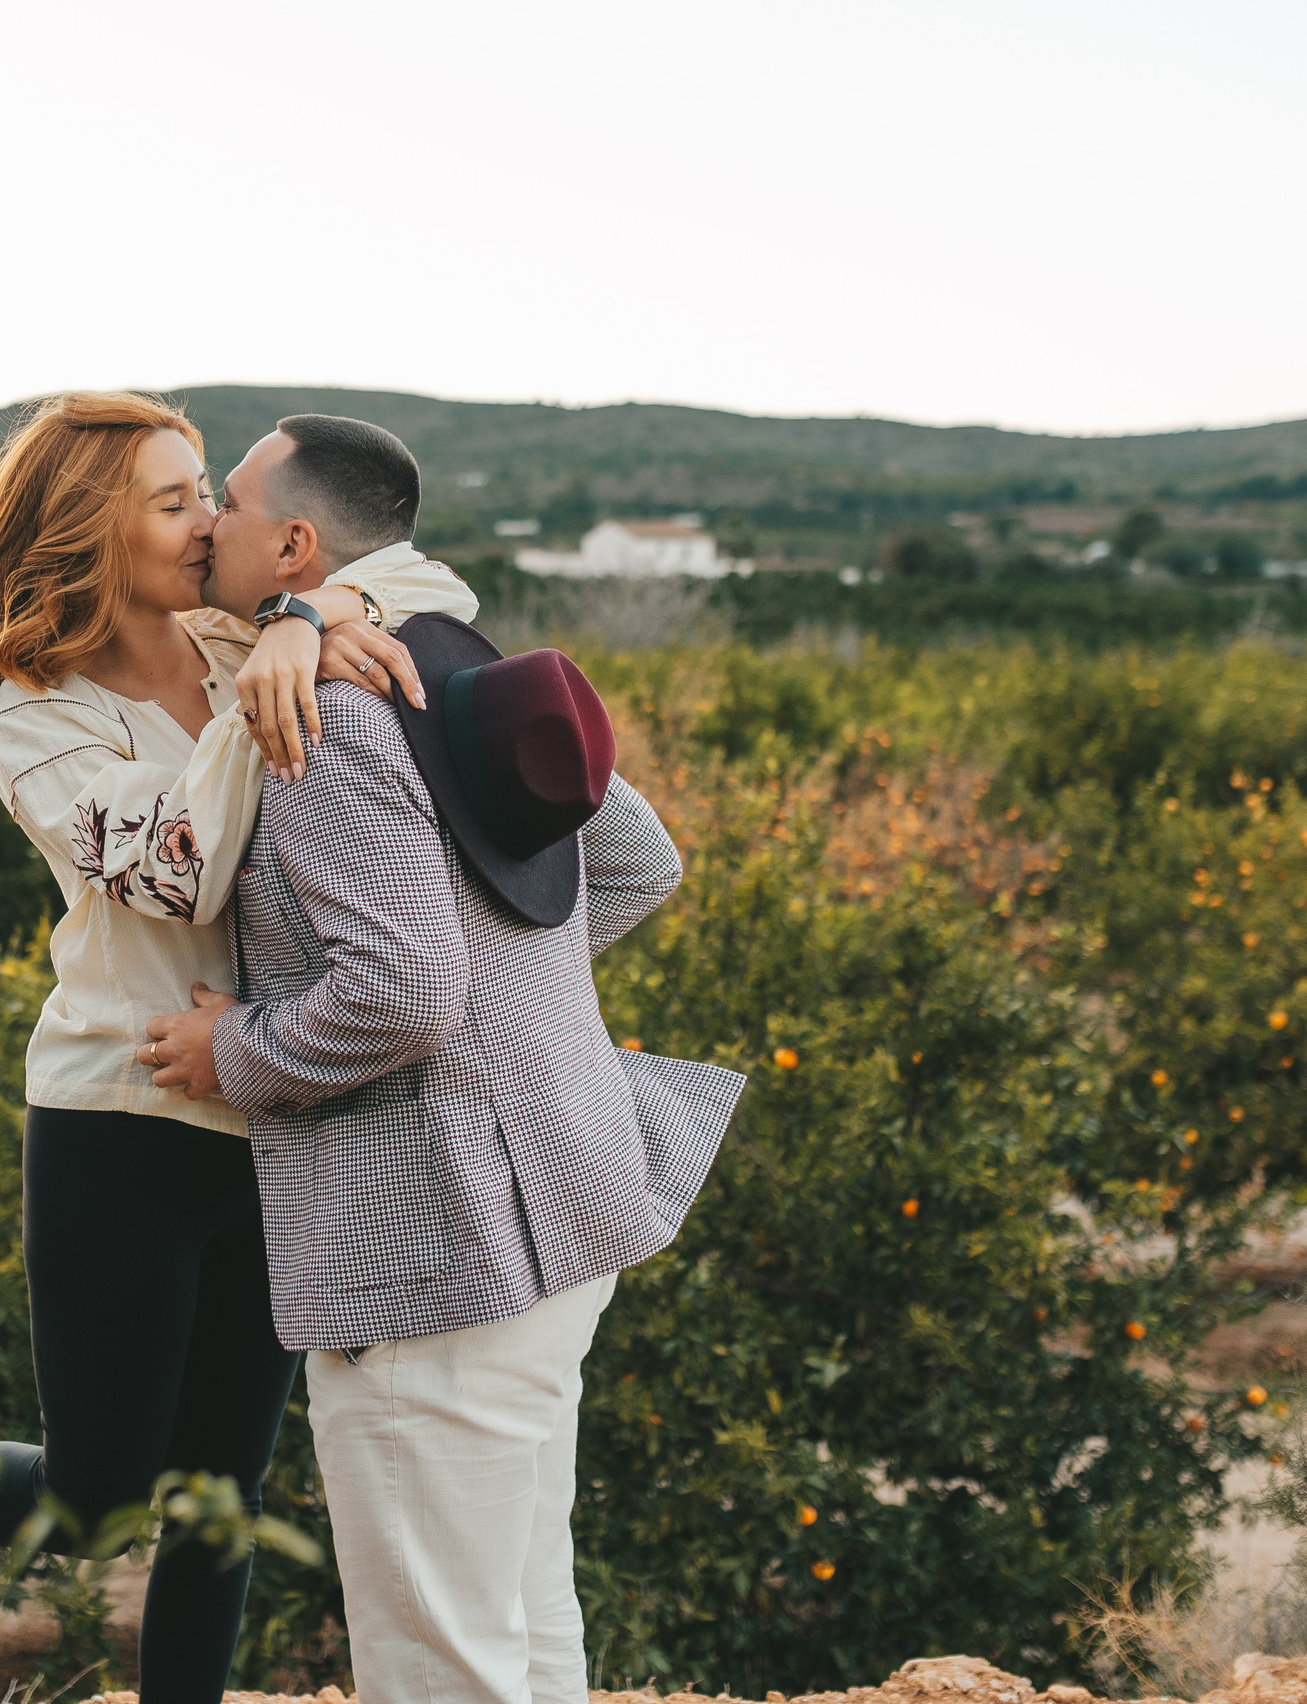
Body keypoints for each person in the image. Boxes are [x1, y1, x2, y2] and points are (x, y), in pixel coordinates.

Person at [0, 394, 478, 1704]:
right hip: (121, 1120)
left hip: (275, 1099)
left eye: (205, 494)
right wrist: (274, 671)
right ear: (89, 529)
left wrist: (300, 616)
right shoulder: (36, 716)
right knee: (103, 1493)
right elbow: (176, 872)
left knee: (224, 1497)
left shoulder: (242, 634)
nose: (210, 522)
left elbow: (406, 584)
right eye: (174, 501)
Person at [141, 421, 747, 1704]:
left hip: (437, 1246)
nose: (208, 527)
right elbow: (637, 860)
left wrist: (231, 1045)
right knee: (523, 1621)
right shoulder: (458, 675)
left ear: (294, 544)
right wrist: (504, 967)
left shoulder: (317, 713)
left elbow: (406, 992)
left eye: (229, 506)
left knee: (438, 1665)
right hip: (569, 1200)